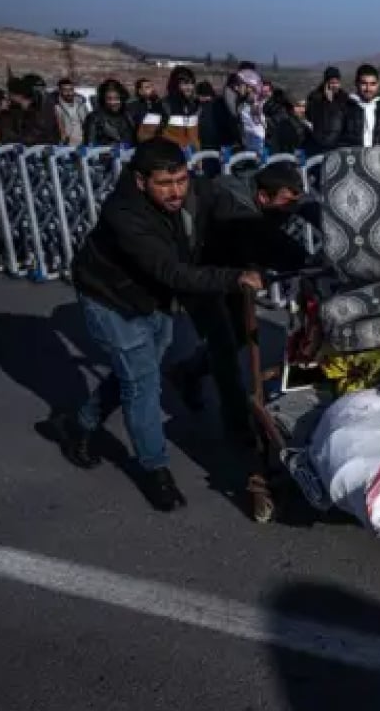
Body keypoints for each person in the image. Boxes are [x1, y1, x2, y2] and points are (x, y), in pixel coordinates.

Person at [54, 138, 264, 512]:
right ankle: (155, 470)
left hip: (152, 296)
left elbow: (235, 216)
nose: (176, 192)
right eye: (164, 184)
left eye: (181, 180)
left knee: (137, 373)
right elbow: (172, 271)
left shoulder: (195, 194)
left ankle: (80, 425)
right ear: (141, 181)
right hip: (111, 299)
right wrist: (233, 278)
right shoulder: (125, 213)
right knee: (142, 382)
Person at [169, 162, 315, 445]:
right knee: (223, 346)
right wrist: (307, 260)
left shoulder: (272, 191)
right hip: (202, 272)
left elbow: (307, 208)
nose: (289, 209)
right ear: (263, 197)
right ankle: (238, 428)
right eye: (285, 203)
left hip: (233, 269)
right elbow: (267, 240)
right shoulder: (234, 206)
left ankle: (188, 371)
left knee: (238, 334)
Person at [136, 66, 202, 150]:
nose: (189, 87)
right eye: (184, 83)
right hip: (165, 155)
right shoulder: (162, 106)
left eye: (191, 83)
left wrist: (197, 154)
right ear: (175, 84)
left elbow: (194, 138)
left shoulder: (192, 107)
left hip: (187, 156)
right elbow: (144, 136)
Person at [305, 66, 350, 153]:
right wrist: (327, 102)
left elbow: (343, 118)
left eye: (337, 83)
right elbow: (313, 118)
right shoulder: (315, 98)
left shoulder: (344, 98)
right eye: (332, 83)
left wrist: (332, 102)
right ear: (326, 83)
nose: (334, 86)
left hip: (339, 144)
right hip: (319, 144)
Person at [83, 79, 137, 147]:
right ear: (103, 100)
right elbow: (90, 144)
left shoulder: (128, 115)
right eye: (109, 99)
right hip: (104, 153)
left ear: (122, 98)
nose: (113, 103)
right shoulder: (93, 118)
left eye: (117, 98)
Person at [54, 78, 90, 146]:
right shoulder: (56, 107)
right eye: (65, 90)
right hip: (68, 144)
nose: (69, 93)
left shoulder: (81, 104)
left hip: (85, 142)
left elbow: (88, 121)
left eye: (71, 89)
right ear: (60, 91)